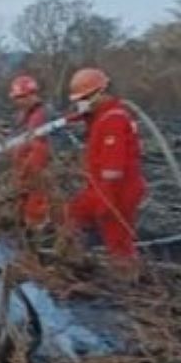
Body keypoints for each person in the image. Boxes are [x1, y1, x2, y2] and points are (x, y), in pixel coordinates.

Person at [64, 67, 147, 269]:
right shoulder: (103, 115)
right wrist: (75, 117)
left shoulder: (114, 120)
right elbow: (91, 120)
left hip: (118, 191)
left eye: (85, 98)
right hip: (100, 187)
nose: (81, 103)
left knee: (118, 241)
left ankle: (125, 276)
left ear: (100, 93)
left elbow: (113, 170)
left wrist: (105, 202)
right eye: (79, 100)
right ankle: (75, 260)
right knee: (73, 216)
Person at [8, 75, 51, 230]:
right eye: (16, 98)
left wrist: (26, 174)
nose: (18, 101)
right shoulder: (24, 116)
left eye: (21, 97)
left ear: (31, 95)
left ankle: (38, 232)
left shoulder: (39, 117)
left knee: (35, 216)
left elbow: (38, 152)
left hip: (34, 179)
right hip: (24, 177)